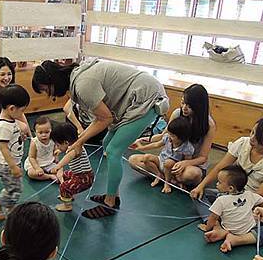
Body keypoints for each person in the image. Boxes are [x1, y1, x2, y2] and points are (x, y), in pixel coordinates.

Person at [33, 59, 168, 219]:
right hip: (137, 97)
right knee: (106, 143)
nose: (50, 95)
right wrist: (79, 140)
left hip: (147, 98)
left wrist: (79, 142)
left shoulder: (83, 84)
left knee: (113, 151)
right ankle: (113, 195)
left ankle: (110, 203)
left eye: (46, 89)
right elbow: (101, 117)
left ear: (51, 80)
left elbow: (105, 119)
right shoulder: (78, 78)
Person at [191, 116, 263, 245]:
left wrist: (239, 212)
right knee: (199, 194)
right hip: (235, 194)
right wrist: (200, 186)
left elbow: (260, 195)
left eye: (258, 139)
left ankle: (241, 238)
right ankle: (215, 224)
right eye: (252, 132)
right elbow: (221, 167)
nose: (252, 139)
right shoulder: (242, 143)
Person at [130, 84, 215, 187]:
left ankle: (168, 178)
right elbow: (164, 136)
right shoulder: (177, 113)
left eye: (189, 106)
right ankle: (167, 178)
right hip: (168, 161)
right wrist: (142, 139)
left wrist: (185, 163)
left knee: (193, 174)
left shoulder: (208, 124)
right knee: (133, 160)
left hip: (190, 165)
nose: (184, 108)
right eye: (183, 103)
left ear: (198, 107)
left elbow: (203, 158)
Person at [198, 165, 263, 253]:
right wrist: (258, 211)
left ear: (230, 188)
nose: (216, 184)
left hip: (230, 228)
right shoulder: (250, 194)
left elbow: (213, 217)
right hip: (249, 228)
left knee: (214, 216)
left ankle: (221, 230)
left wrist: (207, 228)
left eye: (219, 182)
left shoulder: (221, 200)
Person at [0, 84, 31, 221]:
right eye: (21, 111)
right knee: (15, 189)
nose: (22, 114)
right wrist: (13, 166)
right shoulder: (4, 126)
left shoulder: (11, 120)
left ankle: (5, 205)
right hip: (7, 165)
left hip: (13, 162)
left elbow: (12, 138)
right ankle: (2, 206)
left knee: (13, 188)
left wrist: (21, 136)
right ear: (12, 108)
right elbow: (3, 148)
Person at [129, 116, 194, 194]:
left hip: (172, 167)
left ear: (182, 137)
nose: (170, 137)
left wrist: (178, 171)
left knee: (168, 163)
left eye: (173, 136)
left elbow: (186, 162)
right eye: (169, 134)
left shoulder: (187, 147)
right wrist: (142, 148)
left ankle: (167, 183)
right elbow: (156, 145)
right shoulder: (167, 138)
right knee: (146, 157)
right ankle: (158, 175)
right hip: (160, 160)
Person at [50, 122, 94, 212]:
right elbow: (67, 152)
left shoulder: (76, 149)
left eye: (58, 145)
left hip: (84, 178)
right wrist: (60, 151)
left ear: (66, 143)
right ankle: (68, 195)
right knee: (65, 175)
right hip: (79, 174)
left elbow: (68, 157)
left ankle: (67, 205)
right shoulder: (75, 145)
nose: (57, 147)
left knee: (64, 186)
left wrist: (58, 166)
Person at [25, 116, 57, 181]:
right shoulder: (34, 142)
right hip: (36, 163)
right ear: (35, 133)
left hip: (48, 162)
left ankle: (58, 177)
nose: (44, 135)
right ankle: (49, 176)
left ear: (51, 131)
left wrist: (56, 157)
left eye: (47, 132)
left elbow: (55, 150)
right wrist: (37, 168)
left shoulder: (53, 139)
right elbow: (31, 157)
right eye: (40, 133)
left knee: (59, 168)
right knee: (31, 173)